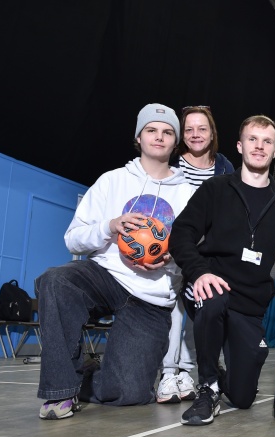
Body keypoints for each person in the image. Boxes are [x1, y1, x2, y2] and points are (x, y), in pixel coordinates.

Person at [36, 104, 194, 420]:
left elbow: (194, 256)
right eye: (151, 130)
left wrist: (170, 258)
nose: (159, 137)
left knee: (127, 394)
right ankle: (60, 393)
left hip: (150, 297)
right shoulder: (112, 181)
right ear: (139, 136)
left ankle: (92, 373)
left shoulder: (188, 194)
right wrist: (110, 226)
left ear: (175, 143)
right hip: (105, 276)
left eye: (167, 132)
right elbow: (73, 238)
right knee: (56, 280)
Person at [169, 115, 275, 426]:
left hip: (249, 304)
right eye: (253, 139)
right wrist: (199, 272)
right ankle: (207, 389)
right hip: (212, 285)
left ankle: (226, 377)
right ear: (240, 146)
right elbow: (181, 234)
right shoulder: (215, 189)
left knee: (242, 398)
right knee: (212, 299)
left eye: (267, 141)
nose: (259, 146)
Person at [156, 106, 235, 404]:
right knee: (173, 309)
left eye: (202, 129)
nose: (195, 134)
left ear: (212, 133)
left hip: (208, 258)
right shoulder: (171, 164)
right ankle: (168, 373)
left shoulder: (225, 167)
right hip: (171, 252)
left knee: (199, 311)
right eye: (189, 129)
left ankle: (190, 372)